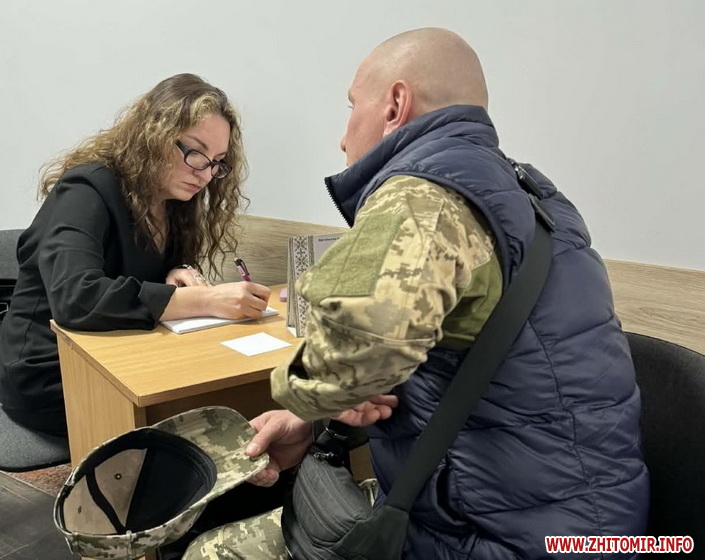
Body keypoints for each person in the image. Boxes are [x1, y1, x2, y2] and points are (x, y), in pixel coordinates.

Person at [183, 28, 649, 559]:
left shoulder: (422, 193)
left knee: (210, 551)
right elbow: (466, 372)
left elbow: (349, 358)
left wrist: (300, 389)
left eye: (352, 106)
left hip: (494, 538)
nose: (342, 138)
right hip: (589, 521)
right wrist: (314, 421)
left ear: (395, 105)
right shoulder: (530, 195)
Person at [0, 74, 271, 438]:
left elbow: (134, 273)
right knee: (207, 416)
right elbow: (76, 297)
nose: (206, 174)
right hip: (52, 372)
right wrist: (204, 300)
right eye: (194, 152)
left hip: (121, 357)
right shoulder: (86, 188)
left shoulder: (174, 201)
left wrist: (175, 271)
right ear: (153, 135)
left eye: (217, 162)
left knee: (236, 394)